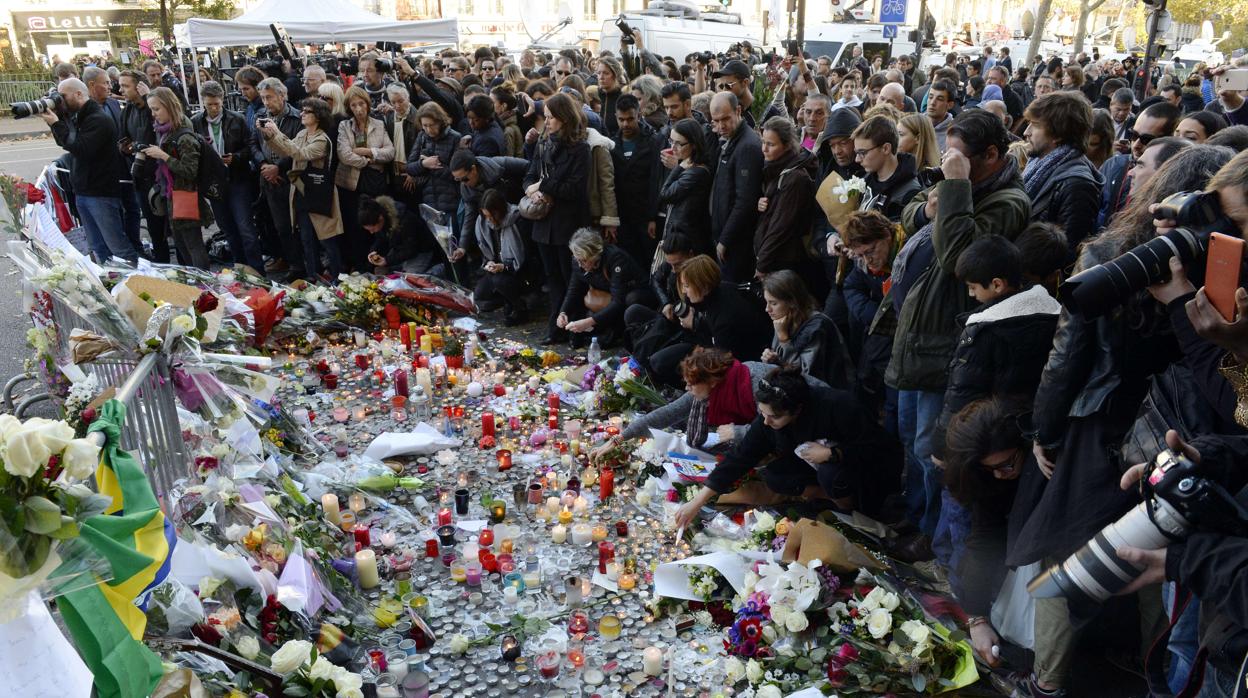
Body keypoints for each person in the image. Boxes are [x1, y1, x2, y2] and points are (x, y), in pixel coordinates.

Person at [1009, 145, 1234, 698]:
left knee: (1071, 558)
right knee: (1165, 558)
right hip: (1191, 435)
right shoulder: (1226, 267)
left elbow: (1066, 356)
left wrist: (1048, 429)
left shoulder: (1114, 254)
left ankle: (1047, 681)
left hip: (1101, 429)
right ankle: (1147, 666)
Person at [890, 109, 1031, 556]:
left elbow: (957, 259)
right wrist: (931, 202)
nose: (950, 165)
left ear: (990, 155)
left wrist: (953, 188)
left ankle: (930, 537)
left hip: (945, 346)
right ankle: (914, 516)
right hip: (917, 333)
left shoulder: (1009, 202)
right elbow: (911, 209)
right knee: (910, 438)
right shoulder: (961, 182)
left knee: (933, 452)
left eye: (960, 158)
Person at [673, 366, 902, 525]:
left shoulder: (839, 405)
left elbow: (878, 448)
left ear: (797, 410)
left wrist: (834, 453)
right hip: (810, 463)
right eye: (762, 413)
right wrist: (697, 501)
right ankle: (829, 498)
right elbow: (741, 457)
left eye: (773, 417)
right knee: (774, 476)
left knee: (832, 476)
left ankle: (852, 510)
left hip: (859, 468)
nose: (766, 421)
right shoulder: (768, 419)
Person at [941, 397, 1041, 670]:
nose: (999, 475)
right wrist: (977, 618)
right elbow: (984, 540)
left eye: (1006, 464)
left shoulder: (1043, 456)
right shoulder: (983, 476)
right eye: (989, 469)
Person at [39, 77, 138, 264]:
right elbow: (65, 142)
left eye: (63, 96)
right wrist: (57, 120)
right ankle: (111, 285)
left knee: (117, 247)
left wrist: (56, 123)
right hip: (84, 190)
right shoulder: (80, 117)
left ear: (78, 94)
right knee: (97, 247)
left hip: (100, 192)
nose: (60, 100)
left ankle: (137, 284)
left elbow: (79, 147)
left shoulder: (97, 119)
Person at [604, 348, 766, 454]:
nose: (687, 389)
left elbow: (771, 429)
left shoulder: (756, 382)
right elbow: (669, 413)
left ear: (712, 383)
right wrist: (619, 438)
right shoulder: (709, 385)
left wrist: (738, 432)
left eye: (691, 385)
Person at [524, 92, 592, 345]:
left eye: (552, 117)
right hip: (544, 222)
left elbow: (575, 189)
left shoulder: (580, 149)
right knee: (552, 278)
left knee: (571, 277)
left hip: (568, 222)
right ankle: (557, 325)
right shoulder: (543, 144)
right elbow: (529, 175)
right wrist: (533, 189)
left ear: (564, 118)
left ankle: (574, 326)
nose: (548, 122)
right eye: (546, 117)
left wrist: (545, 186)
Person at [260, 96, 345, 280]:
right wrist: (269, 135)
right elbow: (286, 151)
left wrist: (276, 133)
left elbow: (300, 153)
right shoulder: (302, 134)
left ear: (319, 116)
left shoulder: (322, 139)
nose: (302, 114)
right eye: (303, 110)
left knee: (327, 239)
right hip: (302, 191)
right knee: (306, 239)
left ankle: (338, 278)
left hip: (320, 193)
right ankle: (313, 277)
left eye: (307, 111)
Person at [193, 81, 264, 271]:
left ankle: (257, 270)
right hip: (215, 183)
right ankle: (241, 268)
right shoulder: (196, 122)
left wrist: (236, 157)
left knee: (246, 228)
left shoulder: (236, 119)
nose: (214, 108)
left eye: (217, 103)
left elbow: (250, 146)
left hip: (237, 179)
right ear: (203, 103)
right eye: (209, 104)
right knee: (228, 229)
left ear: (222, 100)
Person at [1021, 91, 1103, 253]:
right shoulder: (1038, 163)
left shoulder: (1077, 185)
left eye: (1035, 125)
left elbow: (1066, 250)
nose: (1026, 132)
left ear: (1058, 133)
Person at [139, 86, 210, 269]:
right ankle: (194, 280)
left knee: (192, 244)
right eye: (151, 109)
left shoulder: (184, 133)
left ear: (169, 106)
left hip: (185, 195)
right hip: (172, 194)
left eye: (156, 109)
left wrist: (163, 155)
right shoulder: (164, 130)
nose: (153, 114)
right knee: (181, 243)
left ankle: (204, 283)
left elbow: (189, 170)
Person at [83, 66, 143, 257]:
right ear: (92, 85)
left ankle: (137, 247)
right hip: (103, 178)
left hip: (123, 168)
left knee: (133, 209)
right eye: (106, 83)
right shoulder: (83, 111)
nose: (111, 86)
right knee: (114, 218)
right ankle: (123, 258)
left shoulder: (113, 104)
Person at [557, 227, 654, 347]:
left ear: (594, 255)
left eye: (583, 261)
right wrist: (563, 312)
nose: (580, 265)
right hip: (606, 296)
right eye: (577, 260)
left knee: (631, 299)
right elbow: (573, 290)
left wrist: (588, 322)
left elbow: (618, 301)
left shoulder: (615, 258)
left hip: (634, 295)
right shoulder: (578, 261)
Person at [251, 77, 306, 278]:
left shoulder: (296, 117)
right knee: (281, 226)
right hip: (268, 179)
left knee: (299, 226)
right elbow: (253, 144)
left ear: (282, 96)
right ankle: (294, 265)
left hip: (291, 178)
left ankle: (306, 264)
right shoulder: (259, 116)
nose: (266, 102)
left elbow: (298, 149)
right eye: (263, 98)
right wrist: (264, 165)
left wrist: (278, 168)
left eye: (270, 97)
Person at [760, 270, 853, 389]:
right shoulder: (783, 320)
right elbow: (783, 362)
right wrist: (772, 359)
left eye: (773, 303)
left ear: (792, 302)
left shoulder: (817, 326)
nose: (767, 309)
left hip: (827, 390)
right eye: (766, 302)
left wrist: (784, 339)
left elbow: (805, 373)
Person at [337, 85, 395, 272]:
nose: (358, 109)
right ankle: (361, 267)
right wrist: (368, 161)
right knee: (356, 229)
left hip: (374, 185)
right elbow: (344, 154)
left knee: (376, 227)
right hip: (351, 185)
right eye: (353, 105)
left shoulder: (378, 124)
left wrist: (369, 152)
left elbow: (390, 152)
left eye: (361, 104)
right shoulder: (344, 126)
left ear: (368, 104)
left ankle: (376, 264)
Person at [1097, 101, 1183, 229]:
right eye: (1134, 135)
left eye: (1147, 139)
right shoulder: (1113, 164)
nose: (1136, 144)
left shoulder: (1175, 185)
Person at [754, 116, 820, 280]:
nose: (764, 149)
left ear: (787, 145)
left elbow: (781, 226)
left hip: (785, 260)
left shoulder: (795, 178)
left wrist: (762, 264)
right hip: (774, 257)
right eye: (763, 142)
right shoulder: (776, 167)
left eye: (771, 144)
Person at [708, 92, 764, 283]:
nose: (721, 126)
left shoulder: (747, 146)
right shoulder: (730, 140)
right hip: (725, 236)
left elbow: (745, 201)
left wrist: (725, 239)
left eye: (726, 119)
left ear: (738, 111)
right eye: (716, 121)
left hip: (737, 241)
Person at [118, 69, 171, 263]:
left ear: (139, 86)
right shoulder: (128, 110)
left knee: (170, 225)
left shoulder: (153, 109)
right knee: (153, 226)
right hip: (140, 176)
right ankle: (163, 264)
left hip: (161, 176)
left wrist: (149, 97)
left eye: (125, 86)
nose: (121, 90)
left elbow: (163, 131)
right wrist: (126, 147)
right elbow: (122, 137)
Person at [610, 94, 663, 268]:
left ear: (639, 115)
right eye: (621, 119)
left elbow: (655, 181)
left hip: (645, 216)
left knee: (649, 261)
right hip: (623, 217)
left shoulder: (653, 141)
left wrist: (652, 217)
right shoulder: (612, 144)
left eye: (630, 119)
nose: (625, 124)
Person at [407, 102, 463, 260]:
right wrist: (423, 164)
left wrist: (434, 167)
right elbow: (410, 167)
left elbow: (457, 175)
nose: (428, 129)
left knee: (454, 250)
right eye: (424, 125)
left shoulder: (454, 138)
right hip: (430, 203)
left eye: (431, 125)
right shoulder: (422, 137)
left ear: (440, 121)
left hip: (451, 202)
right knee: (439, 251)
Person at [658, 118, 714, 255]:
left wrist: (679, 167)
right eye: (671, 141)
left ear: (694, 145)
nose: (673, 148)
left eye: (679, 144)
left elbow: (665, 194)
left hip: (687, 240)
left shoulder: (697, 172)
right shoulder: (691, 167)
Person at [471, 189, 527, 325]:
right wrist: (489, 262)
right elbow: (486, 251)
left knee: (499, 281)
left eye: (491, 216)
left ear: (499, 210)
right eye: (486, 217)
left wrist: (505, 267)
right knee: (480, 293)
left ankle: (519, 306)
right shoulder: (484, 223)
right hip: (497, 269)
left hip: (518, 271)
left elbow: (527, 258)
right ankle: (506, 299)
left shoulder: (517, 220)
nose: (489, 220)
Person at [358, 195, 447, 276]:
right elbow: (380, 239)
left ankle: (437, 270)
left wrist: (387, 260)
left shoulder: (405, 220)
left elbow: (411, 249)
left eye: (372, 229)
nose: (371, 232)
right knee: (382, 272)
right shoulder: (380, 217)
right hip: (399, 248)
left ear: (380, 219)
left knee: (409, 279)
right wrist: (374, 251)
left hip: (420, 251)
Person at [853, 115, 922, 221]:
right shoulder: (866, 179)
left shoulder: (909, 192)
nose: (857, 159)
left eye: (862, 153)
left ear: (885, 148)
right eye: (856, 153)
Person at [383, 84, 421, 207]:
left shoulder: (418, 119)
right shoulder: (389, 116)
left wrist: (413, 172)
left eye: (401, 101)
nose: (397, 106)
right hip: (394, 174)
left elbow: (423, 148)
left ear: (408, 98)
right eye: (393, 102)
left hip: (411, 175)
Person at [595, 56, 628, 137]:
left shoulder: (623, 97)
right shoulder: (597, 95)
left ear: (615, 75)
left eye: (606, 73)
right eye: (599, 73)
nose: (601, 77)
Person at [926, 79, 958, 151]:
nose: (932, 103)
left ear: (950, 105)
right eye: (930, 97)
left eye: (939, 99)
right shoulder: (915, 123)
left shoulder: (955, 133)